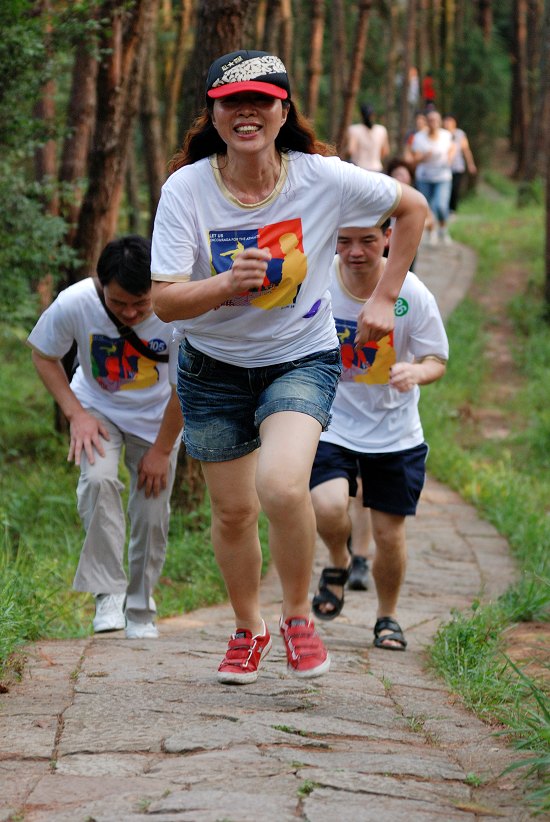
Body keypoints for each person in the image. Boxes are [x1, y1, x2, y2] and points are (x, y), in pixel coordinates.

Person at [150, 49, 427, 684]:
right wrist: (226, 284)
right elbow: (164, 300)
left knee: (280, 487)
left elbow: (411, 207)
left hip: (298, 357)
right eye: (232, 102)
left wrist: (384, 298)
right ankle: (248, 627)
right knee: (233, 513)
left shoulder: (321, 178)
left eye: (261, 101)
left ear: (283, 112)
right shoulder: (186, 189)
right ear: (214, 115)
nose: (246, 112)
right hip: (212, 368)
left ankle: (297, 616)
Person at [27, 236, 183, 639]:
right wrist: (75, 414)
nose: (130, 312)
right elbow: (43, 355)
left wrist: (162, 450)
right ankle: (108, 594)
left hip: (159, 419)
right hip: (97, 409)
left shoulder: (175, 310)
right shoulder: (76, 301)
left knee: (151, 511)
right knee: (97, 481)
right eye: (118, 303)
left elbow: (185, 388)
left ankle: (141, 606)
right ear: (101, 286)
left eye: (140, 304)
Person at [310, 220, 448, 649]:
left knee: (389, 536)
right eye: (344, 241)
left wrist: (416, 372)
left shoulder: (411, 292)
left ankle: (387, 617)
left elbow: (437, 358)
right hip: (332, 422)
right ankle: (339, 559)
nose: (355, 251)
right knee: (327, 505)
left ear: (388, 238)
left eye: (367, 240)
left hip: (394, 432)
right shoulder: (316, 279)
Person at [411, 109, 456, 245]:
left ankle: (443, 228)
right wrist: (425, 156)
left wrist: (450, 158)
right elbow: (415, 158)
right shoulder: (419, 137)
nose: (433, 123)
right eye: (431, 120)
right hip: (424, 177)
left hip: (442, 177)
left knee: (441, 205)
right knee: (427, 208)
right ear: (427, 122)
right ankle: (432, 232)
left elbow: (453, 147)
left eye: (436, 120)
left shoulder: (446, 135)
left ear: (440, 122)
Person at [442, 114, 477, 214]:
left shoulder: (460, 134)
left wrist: (470, 164)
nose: (447, 123)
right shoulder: (441, 134)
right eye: (446, 121)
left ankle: (452, 209)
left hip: (457, 167)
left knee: (455, 188)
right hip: (443, 168)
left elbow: (466, 150)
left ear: (454, 122)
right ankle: (444, 209)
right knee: (445, 189)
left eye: (450, 121)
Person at [345, 102, 390, 172]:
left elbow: (350, 150)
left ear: (361, 115)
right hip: (377, 169)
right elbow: (385, 151)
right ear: (373, 115)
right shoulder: (381, 130)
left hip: (359, 168)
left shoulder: (354, 129)